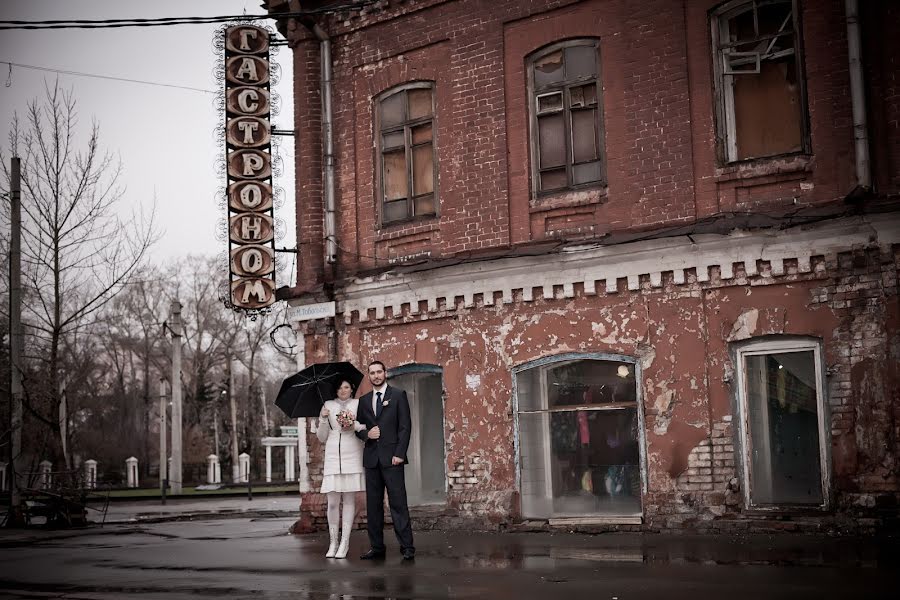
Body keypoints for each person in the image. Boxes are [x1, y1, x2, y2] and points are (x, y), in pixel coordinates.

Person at [354, 360, 415, 561]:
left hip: (393, 459)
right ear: (369, 376)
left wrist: (400, 453)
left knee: (398, 503)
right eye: (372, 373)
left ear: (385, 373)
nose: (376, 375)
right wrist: (366, 435)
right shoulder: (363, 401)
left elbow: (405, 427)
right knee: (373, 506)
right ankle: (377, 547)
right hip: (372, 460)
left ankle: (407, 547)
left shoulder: (398, 396)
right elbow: (359, 428)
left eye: (379, 372)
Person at [317, 379, 366, 559]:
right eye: (339, 387)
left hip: (352, 454)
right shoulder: (328, 405)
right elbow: (321, 437)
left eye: (346, 386)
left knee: (349, 501)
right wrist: (323, 418)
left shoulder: (358, 404)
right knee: (332, 502)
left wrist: (353, 425)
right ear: (335, 390)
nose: (343, 390)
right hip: (332, 456)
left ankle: (345, 542)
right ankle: (333, 541)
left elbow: (364, 428)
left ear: (351, 388)